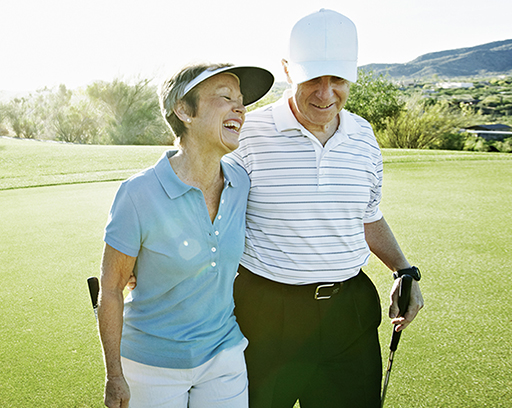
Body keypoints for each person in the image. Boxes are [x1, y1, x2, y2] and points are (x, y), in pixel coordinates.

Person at [227, 9, 425, 408]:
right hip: (266, 315)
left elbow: (368, 213)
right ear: (286, 70)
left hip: (348, 314)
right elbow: (208, 213)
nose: (325, 93)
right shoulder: (247, 133)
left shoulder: (364, 136)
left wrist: (404, 270)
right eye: (312, 78)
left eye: (337, 79)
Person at [97, 63, 274, 408]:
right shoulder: (138, 193)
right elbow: (112, 288)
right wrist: (114, 375)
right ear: (183, 110)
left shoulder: (241, 183)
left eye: (241, 101)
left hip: (224, 356)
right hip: (151, 364)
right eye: (225, 97)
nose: (240, 108)